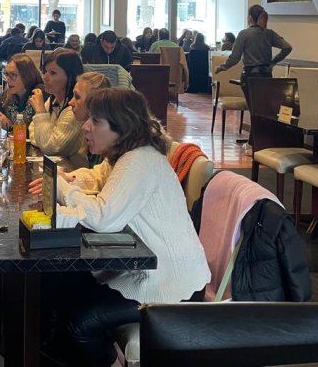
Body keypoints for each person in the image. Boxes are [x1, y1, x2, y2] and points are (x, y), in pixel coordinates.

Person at [29, 89, 210, 367]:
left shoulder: (140, 160)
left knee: (80, 322)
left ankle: (109, 360)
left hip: (171, 284)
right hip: (148, 272)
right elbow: (97, 181)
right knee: (62, 286)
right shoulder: (123, 156)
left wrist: (64, 189)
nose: (85, 126)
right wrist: (67, 185)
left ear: (121, 126)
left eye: (96, 121)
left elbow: (104, 218)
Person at [28, 48, 88, 171]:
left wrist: (40, 112)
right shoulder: (53, 100)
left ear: (71, 76)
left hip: (74, 175)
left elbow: (50, 147)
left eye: (53, 73)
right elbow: (32, 130)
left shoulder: (74, 108)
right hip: (54, 170)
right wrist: (43, 138)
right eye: (45, 72)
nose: (45, 77)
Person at [215, 4, 292, 95]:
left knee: (253, 106)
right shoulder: (270, 34)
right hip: (266, 75)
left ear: (250, 18)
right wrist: (273, 62)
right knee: (264, 106)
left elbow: (235, 58)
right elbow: (287, 47)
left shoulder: (244, 34)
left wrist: (221, 67)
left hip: (250, 76)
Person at [0, 53, 43, 130]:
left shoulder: (39, 93)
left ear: (27, 75)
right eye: (6, 74)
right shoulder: (8, 93)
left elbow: (37, 132)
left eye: (13, 75)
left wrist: (11, 127)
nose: (7, 80)